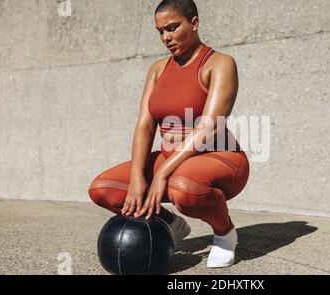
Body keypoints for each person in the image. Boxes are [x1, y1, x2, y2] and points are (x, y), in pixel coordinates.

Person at [88, 0, 249, 268]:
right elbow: (145, 125)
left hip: (219, 158)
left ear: (194, 23)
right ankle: (172, 223)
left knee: (182, 188)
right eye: (160, 31)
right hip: (172, 159)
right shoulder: (158, 69)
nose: (166, 37)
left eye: (172, 28)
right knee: (103, 189)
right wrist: (139, 176)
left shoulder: (220, 63)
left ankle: (224, 233)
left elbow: (208, 127)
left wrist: (162, 173)